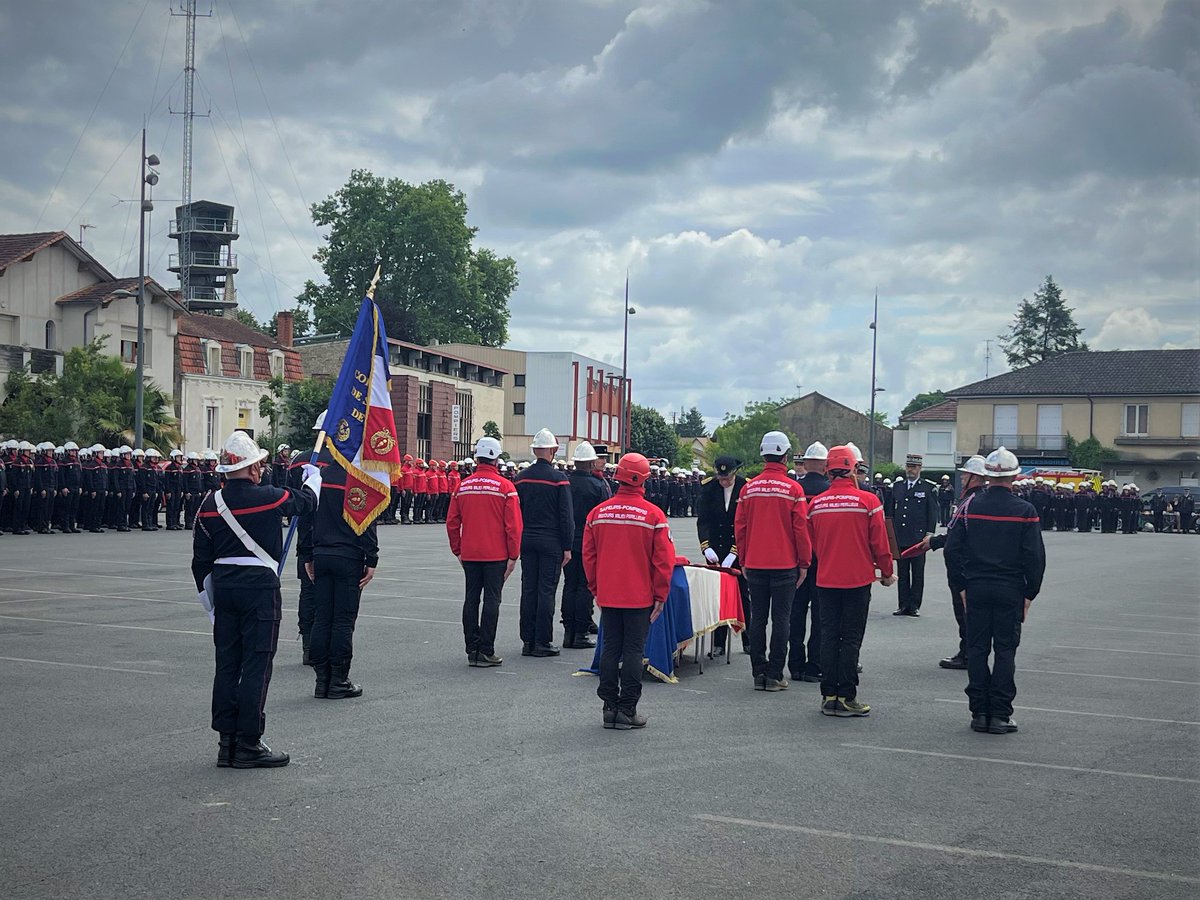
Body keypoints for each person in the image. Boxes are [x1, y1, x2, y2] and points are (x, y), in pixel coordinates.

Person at [191, 430, 319, 768]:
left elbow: (200, 561)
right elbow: (306, 504)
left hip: (225, 589)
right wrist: (313, 480)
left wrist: (211, 605)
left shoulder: (207, 504)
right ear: (251, 469)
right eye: (259, 464)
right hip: (259, 588)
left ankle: (226, 742)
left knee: (227, 666)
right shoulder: (268, 496)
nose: (262, 469)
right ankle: (248, 742)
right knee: (255, 666)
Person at [944, 446, 1046, 736]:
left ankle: (979, 712)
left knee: (977, 649)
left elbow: (952, 550)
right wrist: (1030, 593)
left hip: (976, 587)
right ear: (1015, 476)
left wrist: (961, 586)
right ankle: (1000, 714)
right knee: (1004, 651)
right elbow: (1035, 557)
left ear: (986, 476)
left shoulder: (970, 506)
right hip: (1010, 589)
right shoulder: (1026, 511)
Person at [582, 453, 674, 730]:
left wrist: (596, 588)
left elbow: (589, 556)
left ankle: (609, 707)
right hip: (640, 596)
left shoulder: (598, 514)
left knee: (610, 648)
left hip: (609, 594)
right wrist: (660, 595)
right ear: (644, 479)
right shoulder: (654, 516)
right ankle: (627, 709)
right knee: (634, 650)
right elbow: (663, 561)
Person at [808, 445, 895, 717]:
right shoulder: (868, 502)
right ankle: (846, 695)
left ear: (827, 469)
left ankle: (828, 695)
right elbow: (880, 543)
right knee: (851, 638)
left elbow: (812, 544)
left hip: (826, 579)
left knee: (829, 636)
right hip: (857, 580)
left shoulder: (816, 504)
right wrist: (886, 571)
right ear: (853, 469)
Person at [733, 431, 812, 692]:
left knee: (757, 619)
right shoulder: (793, 489)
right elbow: (801, 529)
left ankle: (758, 672)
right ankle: (775, 674)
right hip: (785, 565)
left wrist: (743, 558)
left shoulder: (748, 488)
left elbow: (740, 527)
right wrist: (804, 562)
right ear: (786, 455)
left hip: (754, 563)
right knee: (782, 620)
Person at [300, 454, 379, 701]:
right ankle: (338, 681)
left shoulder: (318, 478)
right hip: (348, 556)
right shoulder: (359, 480)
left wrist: (306, 555)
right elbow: (366, 523)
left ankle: (321, 680)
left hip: (322, 553)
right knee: (343, 621)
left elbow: (307, 520)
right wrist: (372, 558)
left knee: (322, 618)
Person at [446, 436, 523, 667]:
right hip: (496, 555)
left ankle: (472, 649)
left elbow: (452, 522)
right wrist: (513, 555)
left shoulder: (462, 486)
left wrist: (458, 550)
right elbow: (514, 526)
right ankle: (486, 650)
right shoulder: (506, 487)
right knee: (492, 600)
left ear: (477, 457)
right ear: (496, 458)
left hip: (470, 553)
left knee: (471, 599)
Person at [920, 455, 989, 670]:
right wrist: (936, 541)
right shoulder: (970, 498)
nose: (962, 478)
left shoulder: (973, 501)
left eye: (966, 474)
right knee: (964, 611)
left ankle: (969, 653)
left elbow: (959, 535)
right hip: (963, 564)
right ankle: (968, 650)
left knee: (965, 611)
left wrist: (935, 541)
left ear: (976, 477)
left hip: (965, 566)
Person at [513, 428, 574, 657]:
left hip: (527, 538)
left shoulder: (520, 478)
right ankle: (542, 641)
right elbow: (566, 517)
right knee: (546, 591)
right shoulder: (559, 479)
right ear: (551, 451)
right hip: (551, 541)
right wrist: (567, 546)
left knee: (528, 589)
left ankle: (527, 641)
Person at [696, 454, 749, 657]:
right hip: (716, 550)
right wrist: (706, 547)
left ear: (735, 473)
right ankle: (718, 643)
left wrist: (735, 552)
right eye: (721, 478)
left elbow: (746, 523)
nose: (724, 481)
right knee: (718, 597)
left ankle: (748, 640)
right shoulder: (709, 488)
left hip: (740, 549)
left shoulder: (745, 487)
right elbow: (703, 521)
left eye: (727, 478)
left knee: (744, 596)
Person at [561, 441, 610, 649]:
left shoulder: (565, 483)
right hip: (590, 543)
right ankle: (580, 632)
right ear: (591, 463)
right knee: (585, 588)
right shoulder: (598, 486)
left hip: (568, 541)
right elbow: (604, 517)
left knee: (569, 585)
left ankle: (569, 631)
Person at [789, 441, 830, 682]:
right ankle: (814, 665)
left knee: (795, 615)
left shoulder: (795, 489)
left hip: (794, 561)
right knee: (820, 616)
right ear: (825, 465)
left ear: (804, 463)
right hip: (822, 561)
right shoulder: (828, 491)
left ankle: (795, 665)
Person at [887, 453, 938, 617]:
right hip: (901, 536)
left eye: (914, 467)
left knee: (917, 573)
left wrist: (929, 534)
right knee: (902, 573)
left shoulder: (927, 487)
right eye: (909, 466)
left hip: (918, 538)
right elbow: (890, 513)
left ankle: (914, 605)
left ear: (920, 468)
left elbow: (932, 513)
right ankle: (903, 605)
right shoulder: (897, 486)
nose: (911, 470)